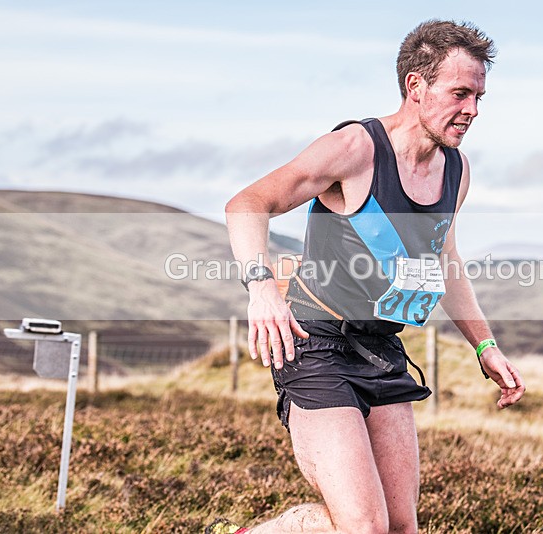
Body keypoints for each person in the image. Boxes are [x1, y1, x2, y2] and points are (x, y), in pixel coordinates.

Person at [211, 19, 526, 534]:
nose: (472, 110)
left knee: (402, 528)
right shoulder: (356, 149)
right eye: (460, 93)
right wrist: (262, 288)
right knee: (364, 527)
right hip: (314, 347)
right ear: (416, 87)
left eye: (479, 97)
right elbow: (247, 204)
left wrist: (484, 346)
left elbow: (444, 260)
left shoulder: (456, 170)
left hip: (381, 349)